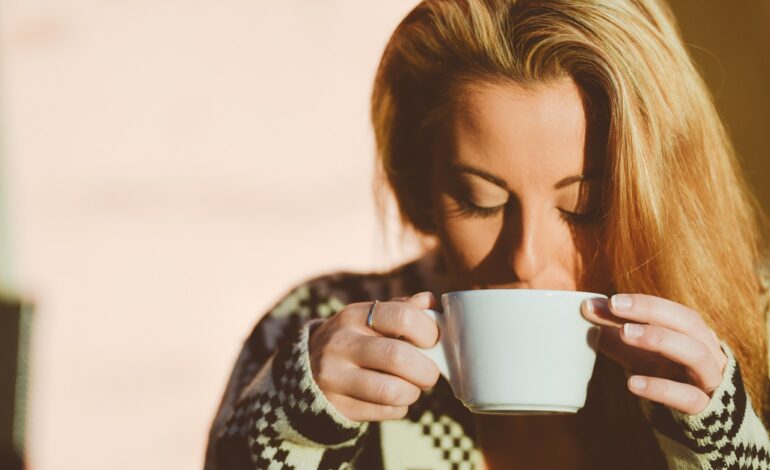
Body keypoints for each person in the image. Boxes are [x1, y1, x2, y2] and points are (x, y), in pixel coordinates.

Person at [204, 0, 770, 468]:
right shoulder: (315, 323)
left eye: (584, 207)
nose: (524, 258)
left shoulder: (755, 330)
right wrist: (291, 431)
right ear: (422, 184)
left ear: (664, 190)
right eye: (481, 201)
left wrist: (726, 444)